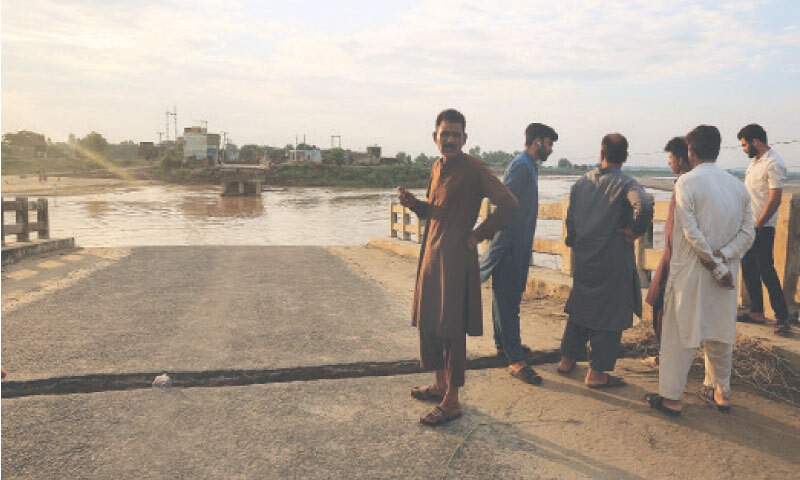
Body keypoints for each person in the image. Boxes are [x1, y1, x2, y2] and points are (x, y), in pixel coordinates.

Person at [398, 109, 518, 426]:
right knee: (431, 323)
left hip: (455, 261)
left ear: (465, 139)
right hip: (430, 257)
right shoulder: (437, 167)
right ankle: (439, 385)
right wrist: (414, 205)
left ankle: (452, 401)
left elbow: (509, 204)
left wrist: (479, 235)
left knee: (450, 329)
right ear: (435, 137)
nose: (450, 139)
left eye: (456, 134)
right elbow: (435, 211)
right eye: (445, 133)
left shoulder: (474, 168)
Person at [645, 125, 754, 416]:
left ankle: (671, 398)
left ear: (690, 151)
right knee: (719, 335)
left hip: (692, 273)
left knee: (679, 335)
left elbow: (692, 235)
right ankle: (722, 393)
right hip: (726, 275)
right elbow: (748, 234)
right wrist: (725, 257)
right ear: (717, 150)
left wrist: (715, 265)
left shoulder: (686, 183)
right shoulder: (737, 186)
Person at [556, 134, 653, 388]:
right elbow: (643, 205)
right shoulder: (626, 183)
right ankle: (597, 373)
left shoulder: (580, 184)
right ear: (625, 157)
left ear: (601, 154)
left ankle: (567, 360)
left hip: (584, 259)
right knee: (610, 314)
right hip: (612, 261)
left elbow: (570, 222)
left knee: (580, 308)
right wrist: (635, 231)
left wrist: (575, 243)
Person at [479, 122, 558, 385]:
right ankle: (515, 360)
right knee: (508, 300)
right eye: (549, 144)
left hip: (517, 242)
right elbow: (504, 203)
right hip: (511, 242)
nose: (550, 149)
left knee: (504, 296)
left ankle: (504, 345)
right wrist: (494, 238)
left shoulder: (528, 166)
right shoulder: (522, 166)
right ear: (537, 142)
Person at [737, 124, 792, 336]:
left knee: (766, 270)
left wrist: (759, 223)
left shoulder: (773, 163)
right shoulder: (754, 163)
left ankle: (782, 317)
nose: (743, 149)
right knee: (748, 266)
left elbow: (775, 198)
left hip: (763, 226)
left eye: (744, 144)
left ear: (755, 142)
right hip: (749, 226)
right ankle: (757, 311)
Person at [645, 137, 692, 345]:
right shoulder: (688, 181)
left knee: (660, 300)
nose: (669, 162)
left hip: (676, 253)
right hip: (676, 252)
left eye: (671, 158)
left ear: (681, 159)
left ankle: (666, 350)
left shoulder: (685, 183)